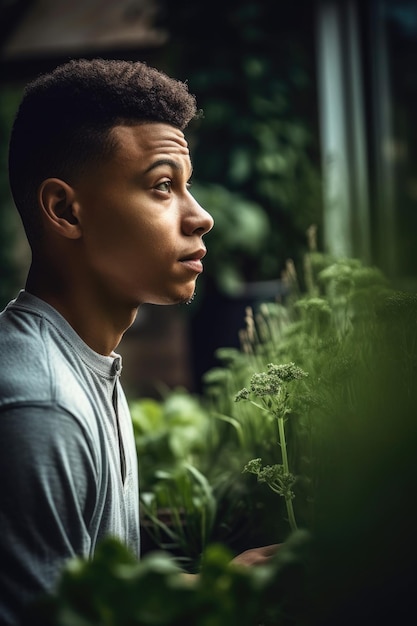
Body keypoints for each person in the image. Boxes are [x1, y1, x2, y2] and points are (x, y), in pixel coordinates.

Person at [0, 58, 278, 625]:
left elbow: (84, 590)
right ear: (65, 210)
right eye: (161, 186)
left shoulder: (84, 358)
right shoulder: (42, 407)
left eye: (187, 187)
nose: (200, 217)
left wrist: (215, 586)